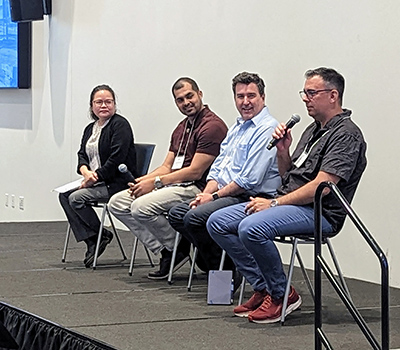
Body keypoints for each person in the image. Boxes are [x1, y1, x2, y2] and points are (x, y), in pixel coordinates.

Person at [207, 67, 367, 324]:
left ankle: (283, 295)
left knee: (251, 227)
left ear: (333, 95)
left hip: (319, 212)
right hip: (289, 203)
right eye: (304, 92)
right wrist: (283, 151)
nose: (305, 98)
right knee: (217, 222)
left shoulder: (346, 134)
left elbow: (322, 187)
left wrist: (272, 203)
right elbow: (288, 176)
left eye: (311, 93)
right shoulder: (313, 130)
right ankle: (265, 287)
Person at [108, 77, 228, 279]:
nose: (186, 102)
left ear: (200, 94)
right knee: (117, 203)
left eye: (189, 96)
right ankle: (170, 248)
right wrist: (142, 181)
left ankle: (178, 247)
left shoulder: (212, 126)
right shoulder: (181, 128)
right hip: (175, 185)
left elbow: (195, 172)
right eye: (180, 100)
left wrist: (155, 183)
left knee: (141, 207)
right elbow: (167, 166)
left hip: (198, 188)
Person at [168, 72, 281, 274]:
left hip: (251, 196)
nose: (245, 102)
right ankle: (219, 263)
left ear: (262, 97)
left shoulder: (267, 128)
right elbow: (218, 168)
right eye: (240, 96)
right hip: (227, 192)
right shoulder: (237, 128)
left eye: (251, 96)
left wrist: (212, 197)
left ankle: (230, 269)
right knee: (177, 214)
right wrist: (207, 194)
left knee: (194, 218)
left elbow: (248, 180)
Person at [59, 84, 137, 268]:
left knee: (76, 198)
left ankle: (98, 236)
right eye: (99, 102)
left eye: (108, 102)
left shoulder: (120, 125)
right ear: (92, 106)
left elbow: (116, 160)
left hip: (116, 182)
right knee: (63, 196)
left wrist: (93, 178)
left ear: (114, 104)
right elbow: (81, 155)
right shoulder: (90, 128)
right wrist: (85, 172)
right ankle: (94, 238)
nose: (104, 106)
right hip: (94, 180)